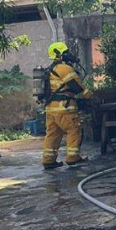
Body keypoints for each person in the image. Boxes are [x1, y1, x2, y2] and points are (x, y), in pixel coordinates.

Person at [42, 42, 93, 170]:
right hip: (65, 108)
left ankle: (48, 160)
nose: (68, 54)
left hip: (50, 109)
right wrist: (91, 96)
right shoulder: (64, 69)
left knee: (53, 134)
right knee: (73, 130)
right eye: (65, 52)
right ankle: (73, 158)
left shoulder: (49, 70)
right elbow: (77, 87)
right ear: (59, 55)